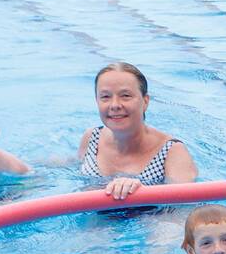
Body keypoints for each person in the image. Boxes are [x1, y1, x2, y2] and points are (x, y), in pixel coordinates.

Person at [78, 62, 197, 200]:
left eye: (125, 95)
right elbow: (74, 165)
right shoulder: (92, 138)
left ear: (145, 101)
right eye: (105, 97)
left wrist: (143, 191)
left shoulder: (172, 151)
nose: (115, 105)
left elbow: (183, 205)